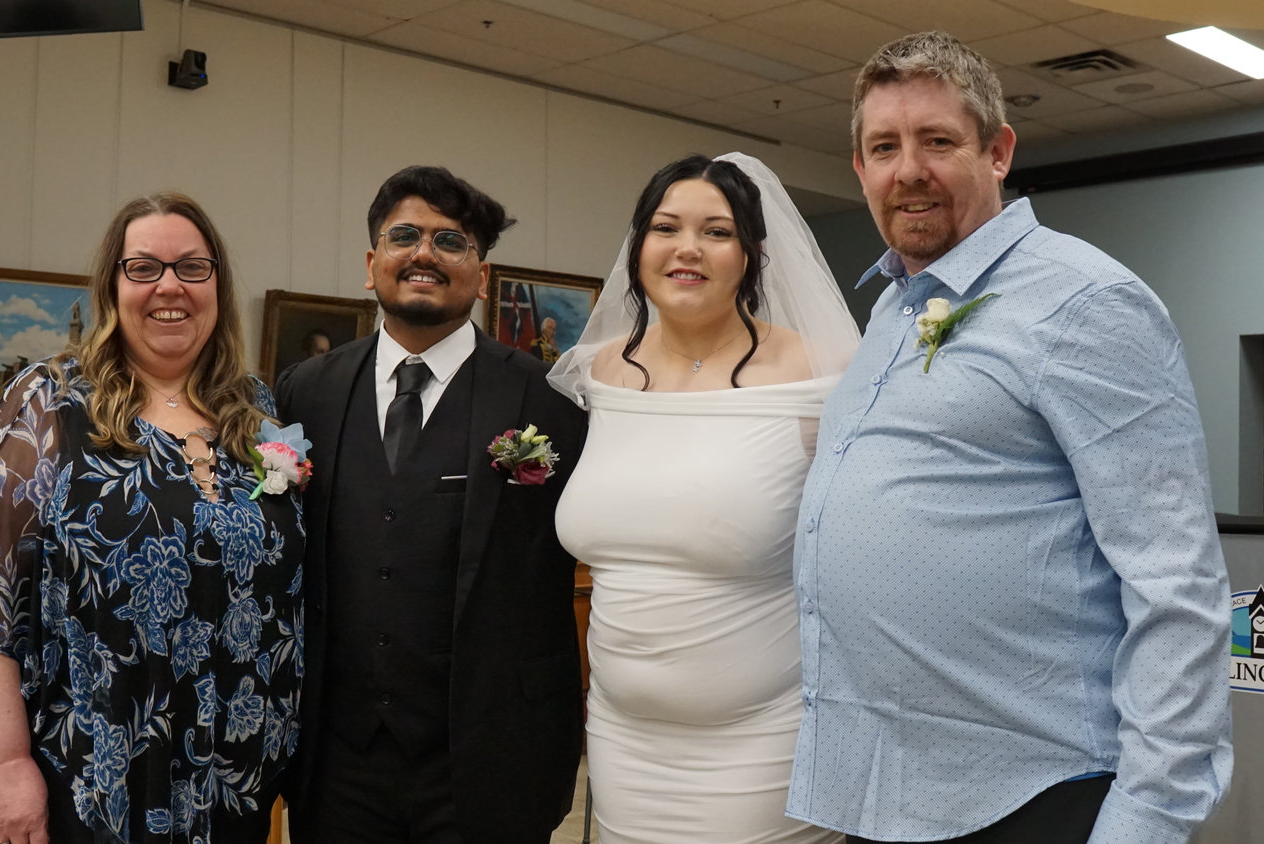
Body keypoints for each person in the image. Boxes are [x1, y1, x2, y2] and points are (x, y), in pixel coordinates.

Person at [788, 31, 1233, 844]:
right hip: (891, 788)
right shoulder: (891, 305)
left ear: (998, 152)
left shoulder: (1086, 302)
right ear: (858, 169)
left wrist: (1147, 820)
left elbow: (1177, 584)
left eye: (937, 141)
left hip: (1034, 795)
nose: (907, 170)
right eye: (883, 147)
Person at [0, 193, 303, 843]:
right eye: (143, 267)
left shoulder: (257, 413)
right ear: (112, 286)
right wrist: (3, 766)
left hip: (230, 773)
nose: (169, 285)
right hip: (91, 771)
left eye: (191, 267)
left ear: (218, 286)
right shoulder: (50, 403)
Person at [548, 152, 858, 843]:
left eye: (716, 232)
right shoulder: (601, 372)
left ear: (750, 254)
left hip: (764, 739)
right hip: (623, 737)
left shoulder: (820, 374)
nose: (687, 248)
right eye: (666, 227)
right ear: (639, 246)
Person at [275, 165, 587, 843]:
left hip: (490, 755)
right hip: (337, 758)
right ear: (371, 264)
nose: (424, 253)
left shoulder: (549, 402)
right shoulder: (307, 392)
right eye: (405, 235)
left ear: (480, 274)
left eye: (451, 241)